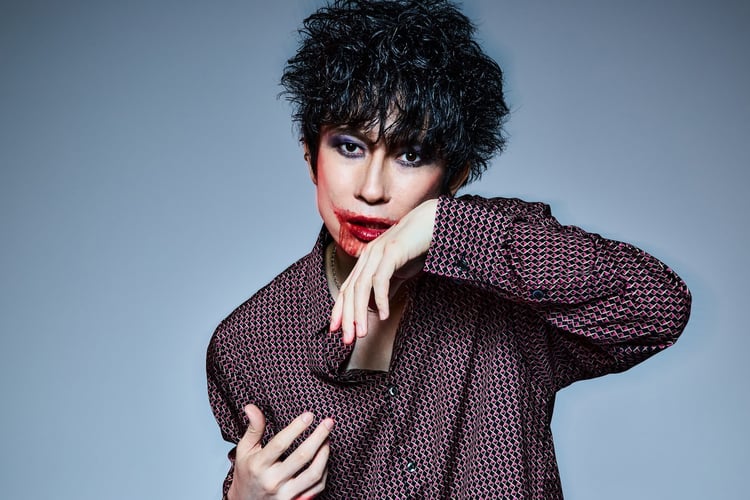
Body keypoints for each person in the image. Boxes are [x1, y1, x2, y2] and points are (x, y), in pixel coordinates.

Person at [206, 0, 692, 498]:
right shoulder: (249, 343)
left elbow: (658, 308)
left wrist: (450, 228)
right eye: (349, 146)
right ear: (312, 156)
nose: (372, 189)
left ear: (455, 176)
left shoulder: (508, 286)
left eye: (410, 155)